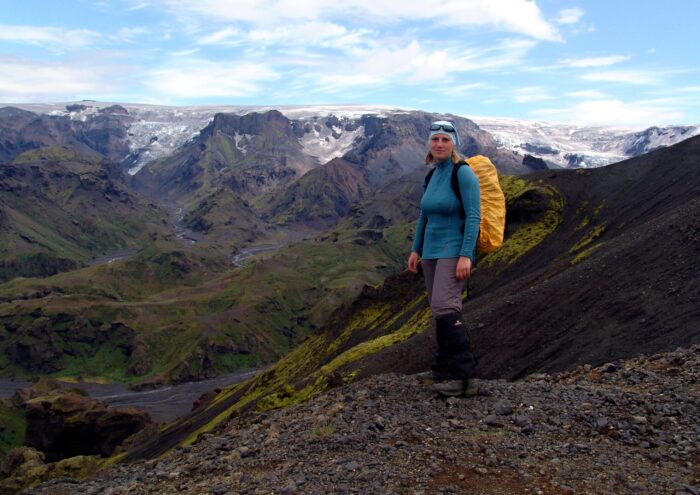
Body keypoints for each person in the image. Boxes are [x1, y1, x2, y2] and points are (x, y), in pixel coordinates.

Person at [407, 120, 480, 396]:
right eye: (435, 139)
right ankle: (444, 368)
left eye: (445, 140)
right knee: (439, 309)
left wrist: (466, 255)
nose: (439, 144)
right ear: (429, 143)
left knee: (446, 307)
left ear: (454, 144)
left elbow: (473, 216)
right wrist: (416, 249)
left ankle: (464, 378)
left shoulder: (463, 173)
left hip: (453, 250)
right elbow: (424, 215)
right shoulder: (432, 175)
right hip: (431, 253)